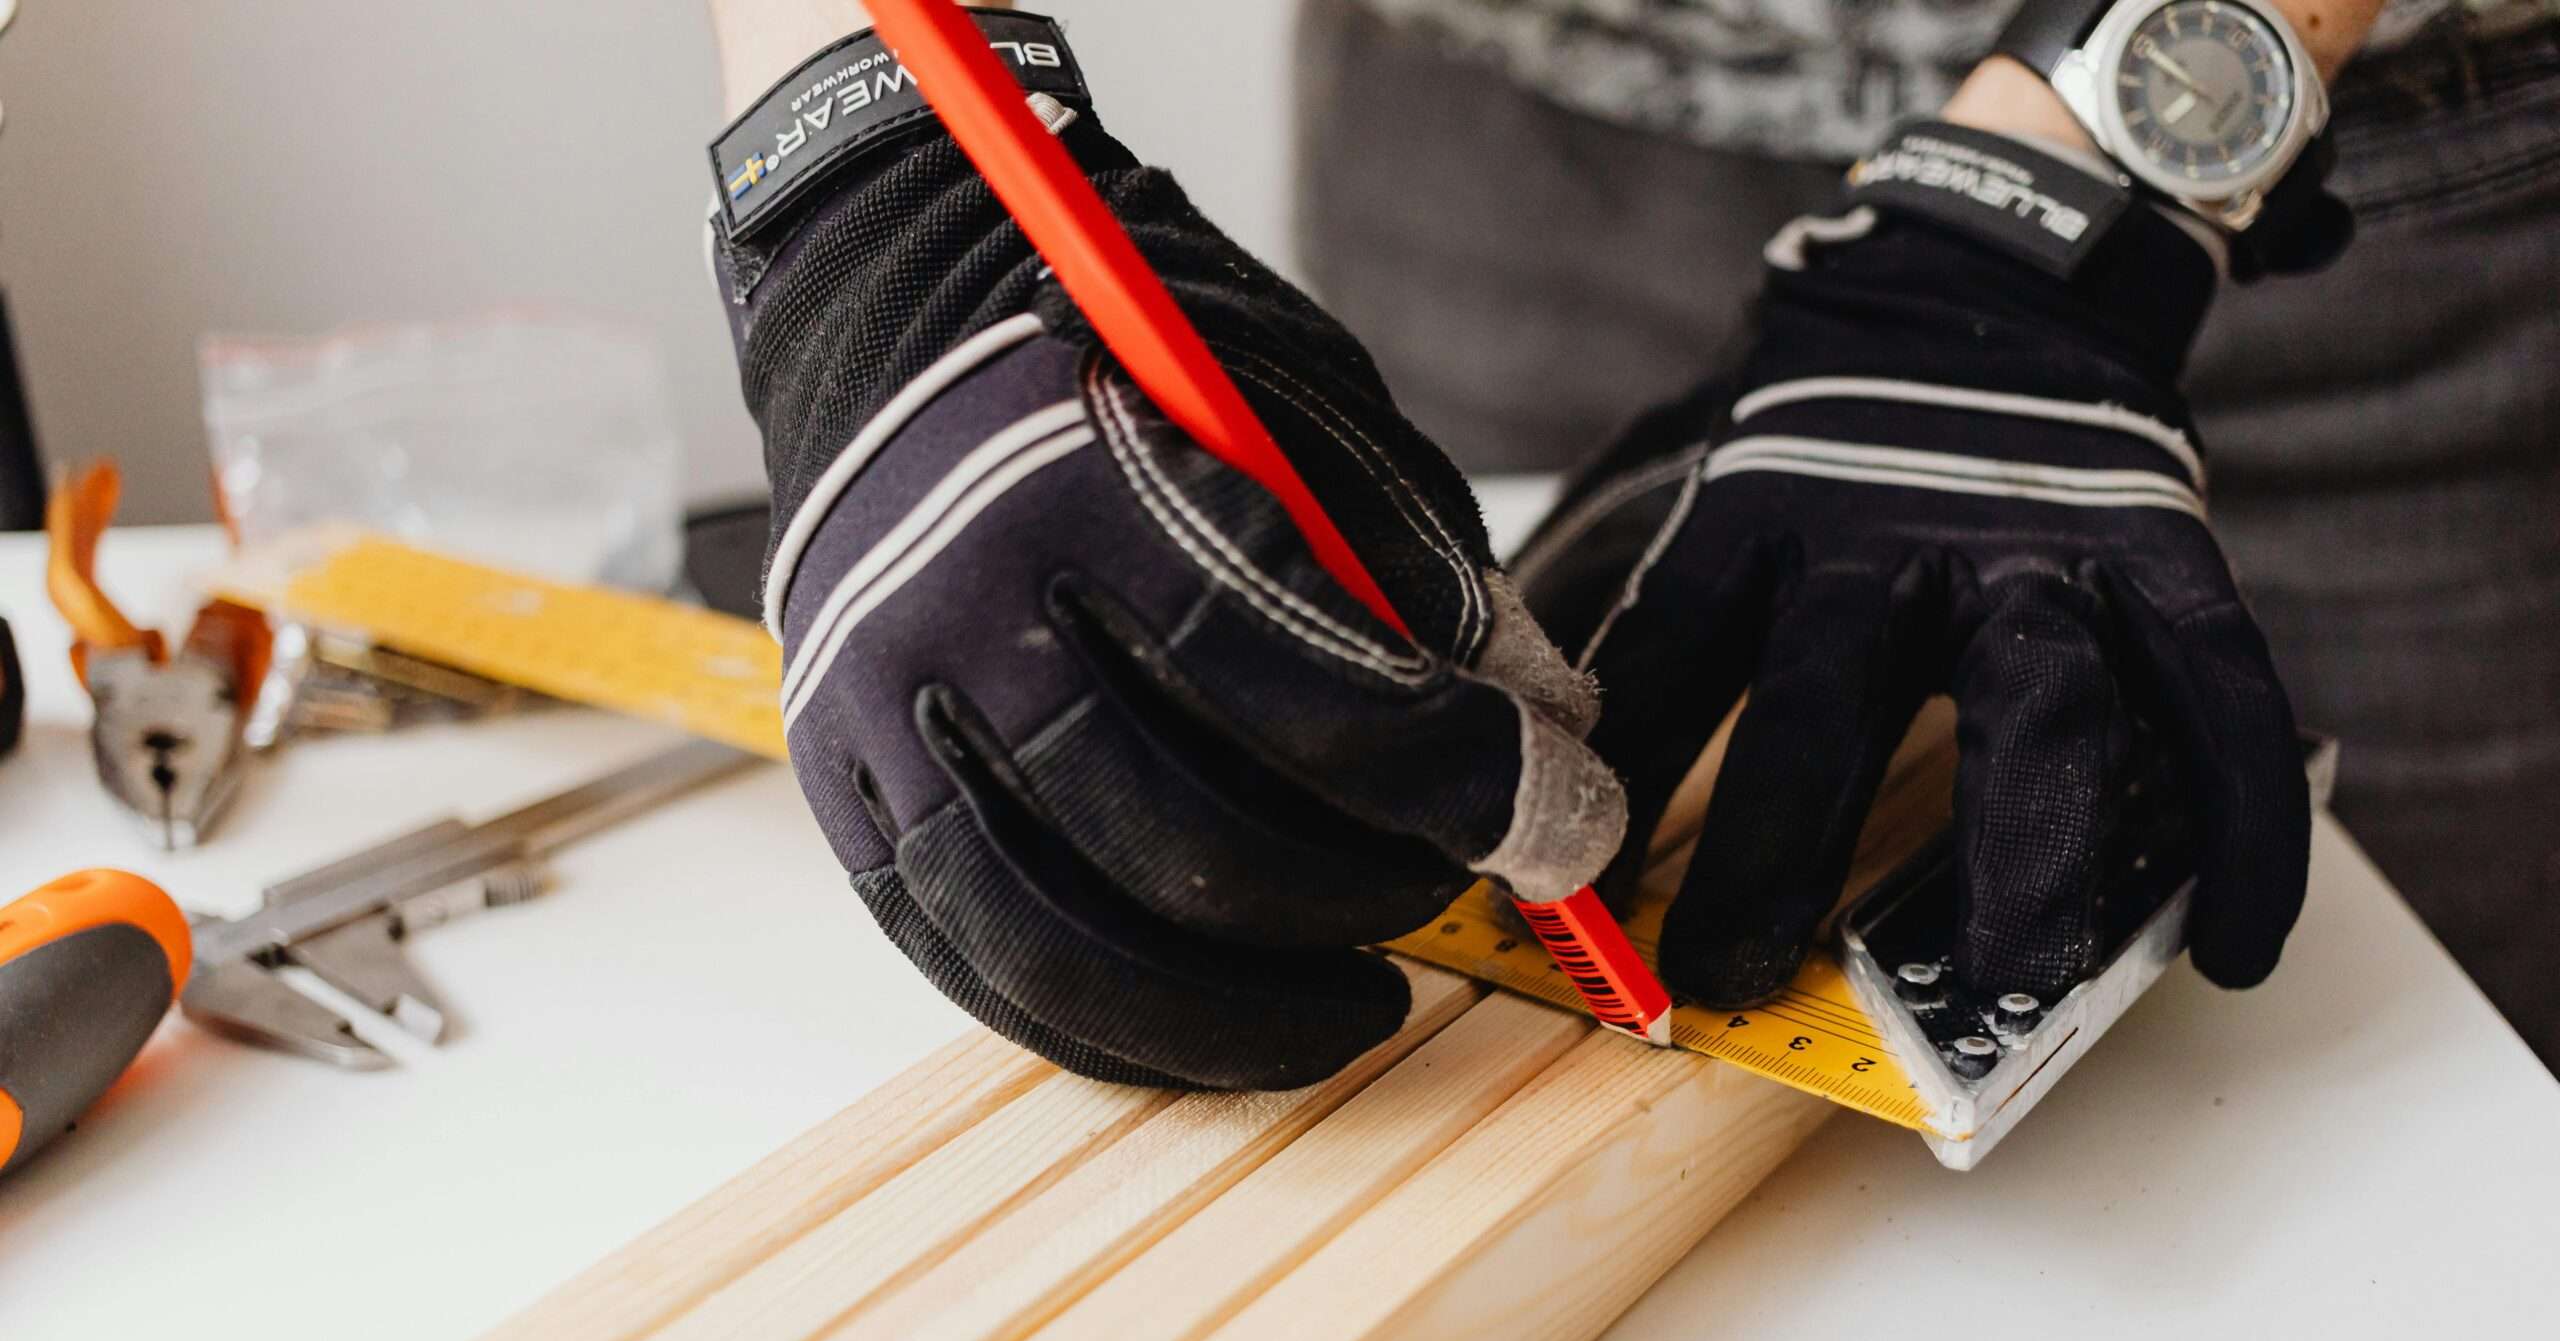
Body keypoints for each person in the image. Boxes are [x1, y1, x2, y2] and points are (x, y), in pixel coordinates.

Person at [700, 0, 2555, 1090]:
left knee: (2385, 1106)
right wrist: (867, 183)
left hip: (2361, 177)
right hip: (1519, 121)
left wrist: (2100, 163)